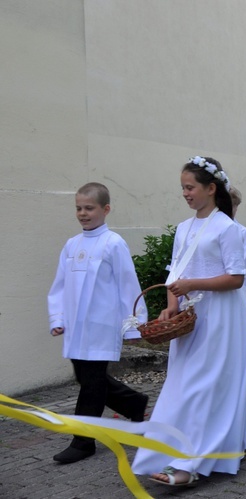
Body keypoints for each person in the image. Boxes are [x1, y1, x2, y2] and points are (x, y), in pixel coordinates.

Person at [132, 156, 246, 486]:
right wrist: (172, 305)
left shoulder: (227, 229)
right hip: (190, 320)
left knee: (207, 388)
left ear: (211, 189)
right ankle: (170, 451)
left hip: (219, 319)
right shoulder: (184, 228)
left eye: (190, 187)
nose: (185, 193)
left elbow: (236, 279)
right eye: (183, 188)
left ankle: (190, 465)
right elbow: (176, 273)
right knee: (182, 386)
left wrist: (192, 286)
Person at [47, 182, 149, 464]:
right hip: (76, 327)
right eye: (78, 208)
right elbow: (60, 286)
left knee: (91, 384)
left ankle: (83, 441)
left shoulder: (113, 243)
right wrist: (58, 318)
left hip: (102, 326)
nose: (82, 213)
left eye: (89, 208)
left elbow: (128, 285)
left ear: (105, 209)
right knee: (86, 377)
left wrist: (133, 324)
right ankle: (134, 403)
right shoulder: (71, 245)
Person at [229, 186, 246, 308]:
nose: (230, 209)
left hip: (236, 287)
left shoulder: (243, 233)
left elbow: (243, 264)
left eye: (233, 206)